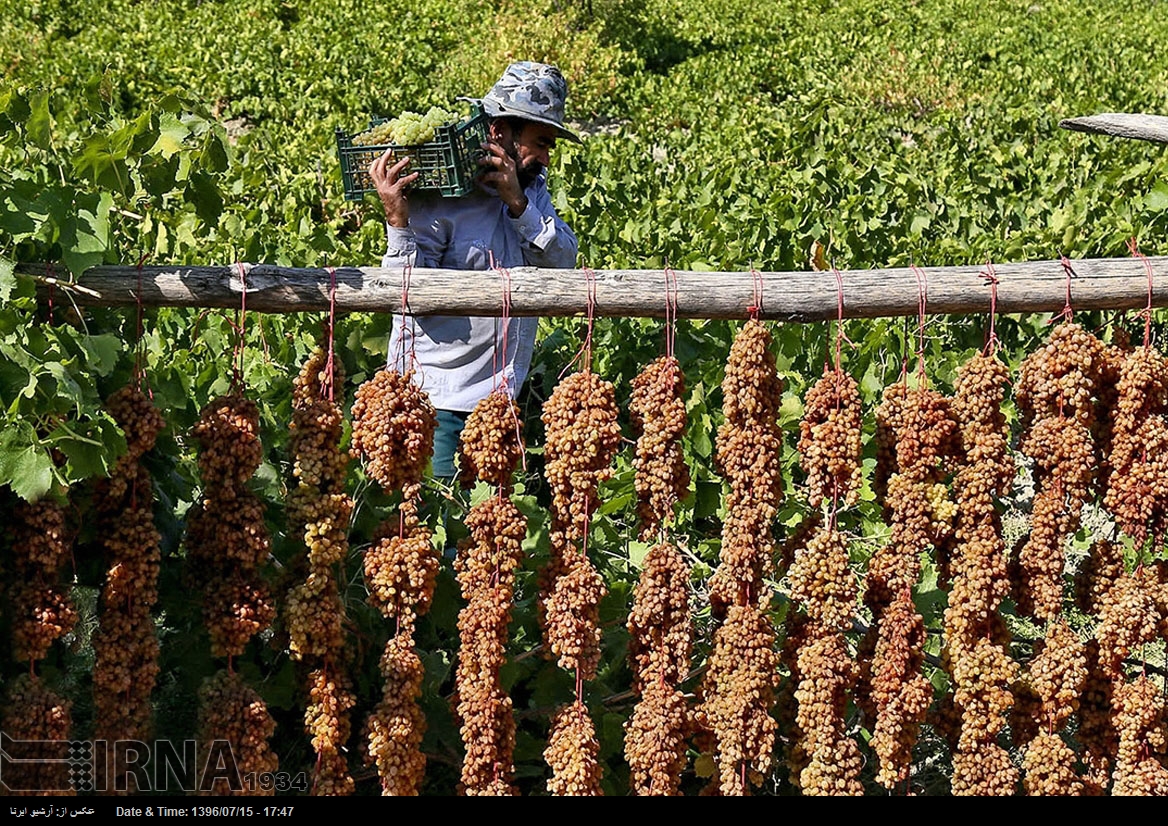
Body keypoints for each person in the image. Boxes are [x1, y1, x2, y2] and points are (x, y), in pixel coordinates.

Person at [369, 61, 580, 479]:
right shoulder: (441, 193)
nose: (546, 158)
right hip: (438, 402)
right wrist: (397, 219)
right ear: (501, 132)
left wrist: (519, 205)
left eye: (550, 145)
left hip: (500, 402)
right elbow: (407, 295)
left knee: (486, 533)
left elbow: (563, 263)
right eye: (540, 142)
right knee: (434, 529)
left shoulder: (531, 189)